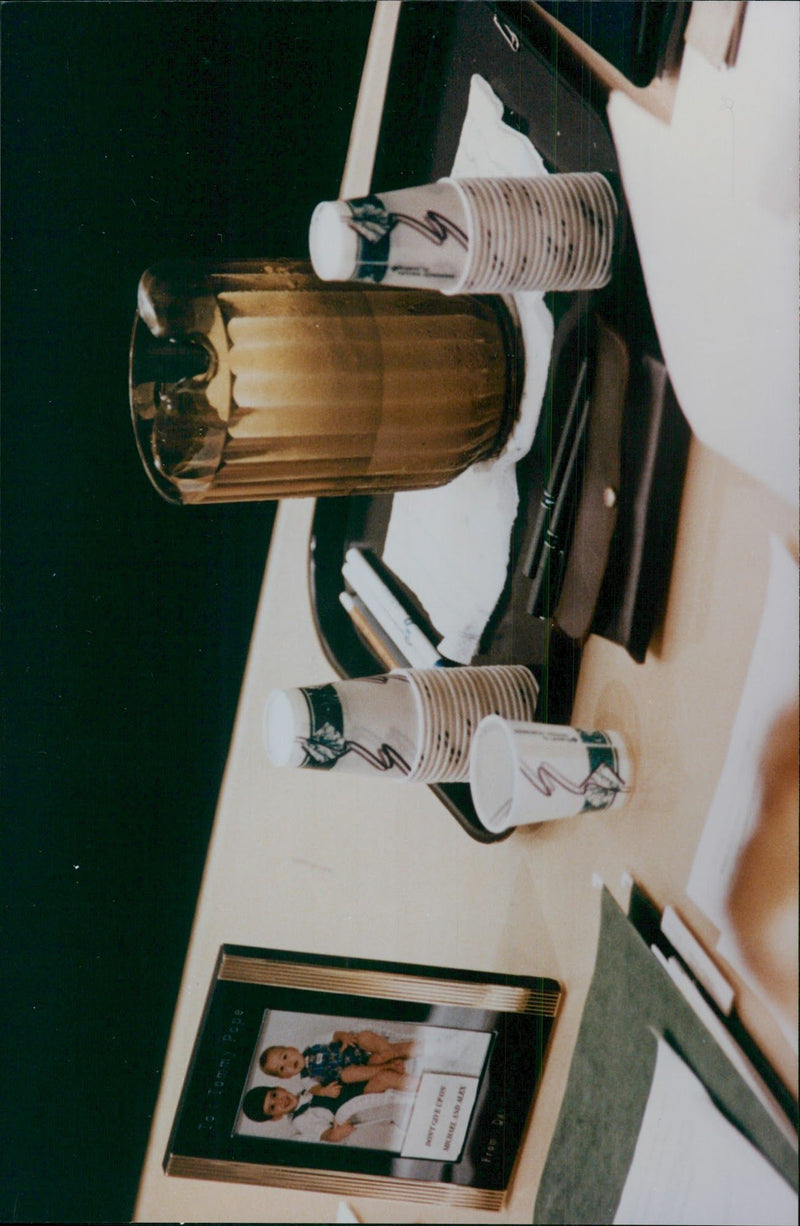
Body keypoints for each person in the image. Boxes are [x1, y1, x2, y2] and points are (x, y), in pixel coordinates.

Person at [259, 1028, 415, 1094]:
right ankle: (387, 1065)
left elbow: (334, 1035)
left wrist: (343, 1037)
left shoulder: (314, 1044)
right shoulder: (305, 1078)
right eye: (282, 1068)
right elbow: (315, 1089)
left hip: (361, 1052)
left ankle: (392, 1053)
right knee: (346, 1076)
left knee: (363, 1036)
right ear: (285, 1077)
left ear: (292, 1049)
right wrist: (324, 1091)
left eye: (285, 1057)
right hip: (361, 1071)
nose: (287, 1064)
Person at [241, 1081, 364, 1144]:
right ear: (276, 1117)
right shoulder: (300, 1121)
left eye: (274, 1095)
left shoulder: (307, 1088)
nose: (280, 1101)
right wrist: (335, 1134)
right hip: (354, 1104)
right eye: (272, 1107)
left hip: (353, 1086)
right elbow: (327, 1135)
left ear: (280, 1088)